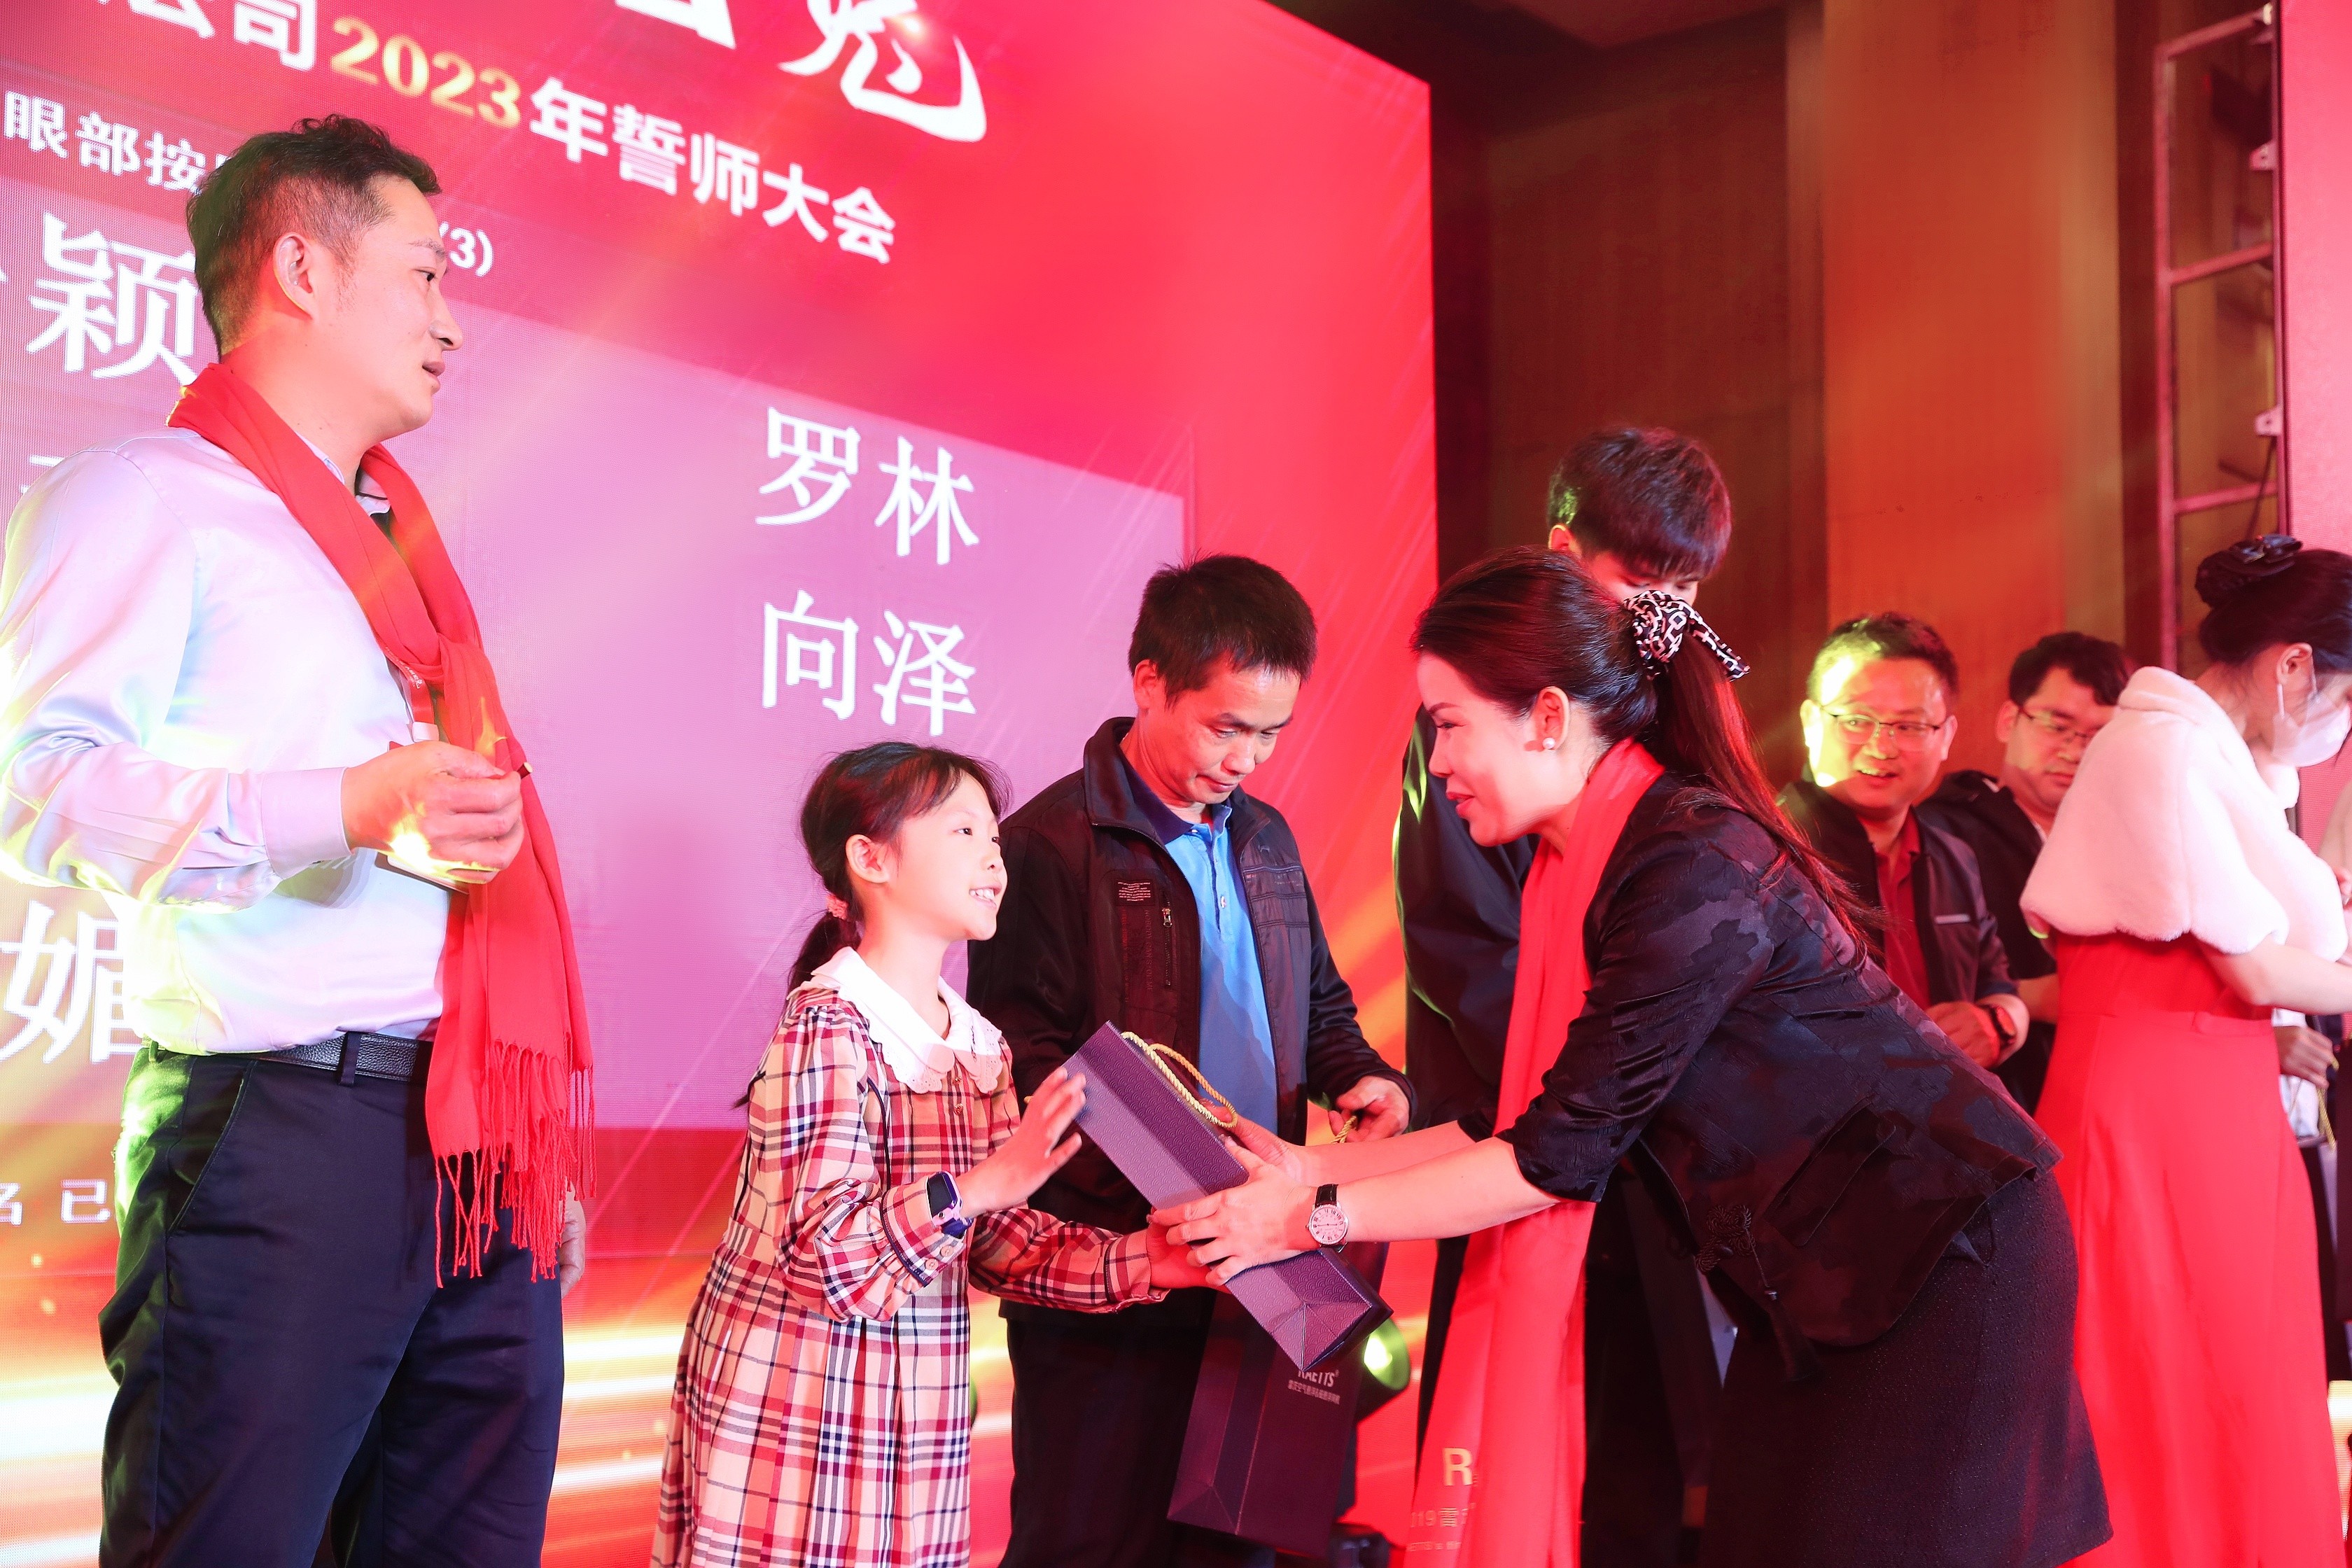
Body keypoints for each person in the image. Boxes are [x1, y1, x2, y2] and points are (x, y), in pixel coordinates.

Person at [1161, 548, 2107, 1568]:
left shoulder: (1686, 863)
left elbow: (1552, 1157)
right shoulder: (1599, 858)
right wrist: (1308, 1165)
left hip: (1942, 1255)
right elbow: (1525, 1117)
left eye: (1450, 724)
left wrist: (1305, 1218)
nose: (1439, 765)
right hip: (1827, 1276)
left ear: (1549, 717)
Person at [0, 118, 591, 1566]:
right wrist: (346, 804)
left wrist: (525, 1151)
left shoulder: (401, 551)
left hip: (476, 1148)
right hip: (285, 1130)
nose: (453, 322)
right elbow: (33, 790)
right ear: (303, 271)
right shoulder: (143, 495)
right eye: (425, 273)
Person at [654, 743, 1208, 1568]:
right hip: (800, 1398)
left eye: (994, 835)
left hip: (913, 1411)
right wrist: (981, 1184)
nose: (993, 856)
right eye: (962, 830)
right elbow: (826, 1257)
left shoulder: (979, 1042)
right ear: (871, 857)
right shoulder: (828, 1022)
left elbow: (994, 1244)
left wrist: (1145, 1261)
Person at [968, 554, 1414, 1568]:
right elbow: (1026, 1058)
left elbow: (1319, 1005)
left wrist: (1366, 1078)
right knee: (1089, 1543)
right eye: (1226, 727)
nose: (1247, 758)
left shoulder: (1267, 838)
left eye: (1270, 734)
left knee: (1236, 1542)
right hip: (1117, 1272)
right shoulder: (1048, 843)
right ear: (1150, 682)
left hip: (1256, 1256)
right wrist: (1178, 1190)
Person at [1394, 428, 1734, 1562]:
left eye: (1685, 589)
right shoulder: (1479, 731)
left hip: (1643, 1159)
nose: (1662, 614)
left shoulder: (1679, 741)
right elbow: (1470, 957)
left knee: (1647, 1476)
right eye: (1640, 580)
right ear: (1560, 549)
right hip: (1532, 1135)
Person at [2023, 535, 2350, 1567]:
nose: (2341, 728)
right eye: (2347, 699)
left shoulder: (2214, 756)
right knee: (2159, 1382)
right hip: (2153, 1109)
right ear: (2293, 666)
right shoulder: (2158, 749)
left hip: (2214, 1101)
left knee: (2234, 1379)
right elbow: (2255, 967)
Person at [1779, 615, 2031, 1072]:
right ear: (1811, 722)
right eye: (1857, 720)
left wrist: (1998, 1023)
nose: (1882, 747)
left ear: (1946, 736)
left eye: (1909, 726)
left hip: (1943, 1107)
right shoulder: (1762, 850)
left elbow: (2000, 985)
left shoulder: (1953, 855)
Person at [1921, 633, 2129, 1110]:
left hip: (2112, 1094)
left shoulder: (2131, 843)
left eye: (2099, 736)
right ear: (2008, 720)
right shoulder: (1943, 835)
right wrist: (2032, 997)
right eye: (2058, 726)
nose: (2076, 752)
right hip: (2002, 1098)